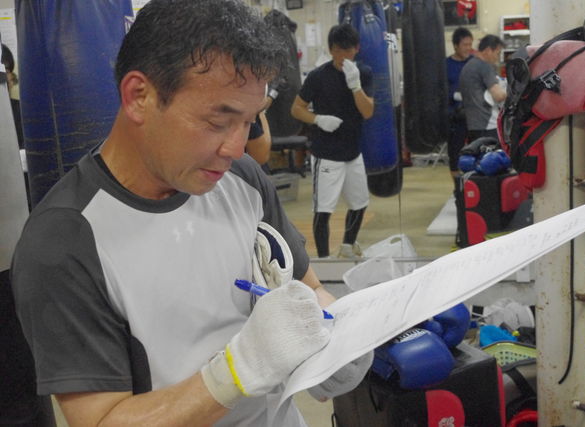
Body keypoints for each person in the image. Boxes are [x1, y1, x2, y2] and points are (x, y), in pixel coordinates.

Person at [11, 1, 371, 426]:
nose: (235, 147)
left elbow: (309, 289)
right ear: (139, 97)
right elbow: (102, 420)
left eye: (249, 122)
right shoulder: (64, 242)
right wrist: (238, 371)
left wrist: (333, 340)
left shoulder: (243, 180)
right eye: (218, 122)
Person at [291, 23, 374, 259]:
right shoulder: (318, 76)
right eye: (338, 50)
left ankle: (347, 246)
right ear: (330, 50)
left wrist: (355, 86)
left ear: (357, 49)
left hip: (353, 151)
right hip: (326, 154)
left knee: (360, 203)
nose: (343, 56)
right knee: (323, 210)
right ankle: (324, 258)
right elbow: (296, 108)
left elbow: (368, 112)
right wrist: (317, 119)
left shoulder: (363, 72)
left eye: (348, 50)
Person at [458, 34, 506, 142]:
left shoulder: (468, 66)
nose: (497, 58)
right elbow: (499, 96)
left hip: (473, 125)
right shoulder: (485, 66)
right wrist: (513, 91)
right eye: (497, 53)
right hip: (488, 125)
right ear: (488, 50)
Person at [446, 27, 473, 180]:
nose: (468, 48)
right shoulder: (446, 65)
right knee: (455, 154)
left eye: (470, 44)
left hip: (474, 116)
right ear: (456, 45)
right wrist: (454, 96)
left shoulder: (474, 63)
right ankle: (458, 187)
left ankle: (475, 184)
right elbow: (440, 90)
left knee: (477, 149)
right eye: (465, 45)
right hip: (455, 117)